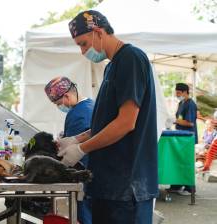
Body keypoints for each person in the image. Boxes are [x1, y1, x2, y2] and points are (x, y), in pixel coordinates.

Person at [57, 10, 158, 223]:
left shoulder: (131, 58)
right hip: (108, 183)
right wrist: (76, 139)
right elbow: (106, 123)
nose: (83, 52)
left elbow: (126, 123)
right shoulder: (111, 67)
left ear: (98, 32)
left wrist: (82, 149)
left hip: (127, 185)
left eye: (83, 44)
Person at [45, 76, 94, 224]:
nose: (59, 107)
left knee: (86, 216)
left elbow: (72, 151)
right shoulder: (90, 104)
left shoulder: (77, 114)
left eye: (58, 103)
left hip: (85, 173)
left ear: (66, 95)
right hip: (95, 173)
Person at [168, 83, 198, 195]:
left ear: (185, 92)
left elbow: (190, 123)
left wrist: (174, 120)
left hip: (188, 138)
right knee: (178, 161)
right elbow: (179, 118)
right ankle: (176, 185)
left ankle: (189, 188)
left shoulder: (190, 104)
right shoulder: (181, 103)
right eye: (176, 93)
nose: (177, 95)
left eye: (179, 93)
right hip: (180, 137)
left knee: (186, 162)